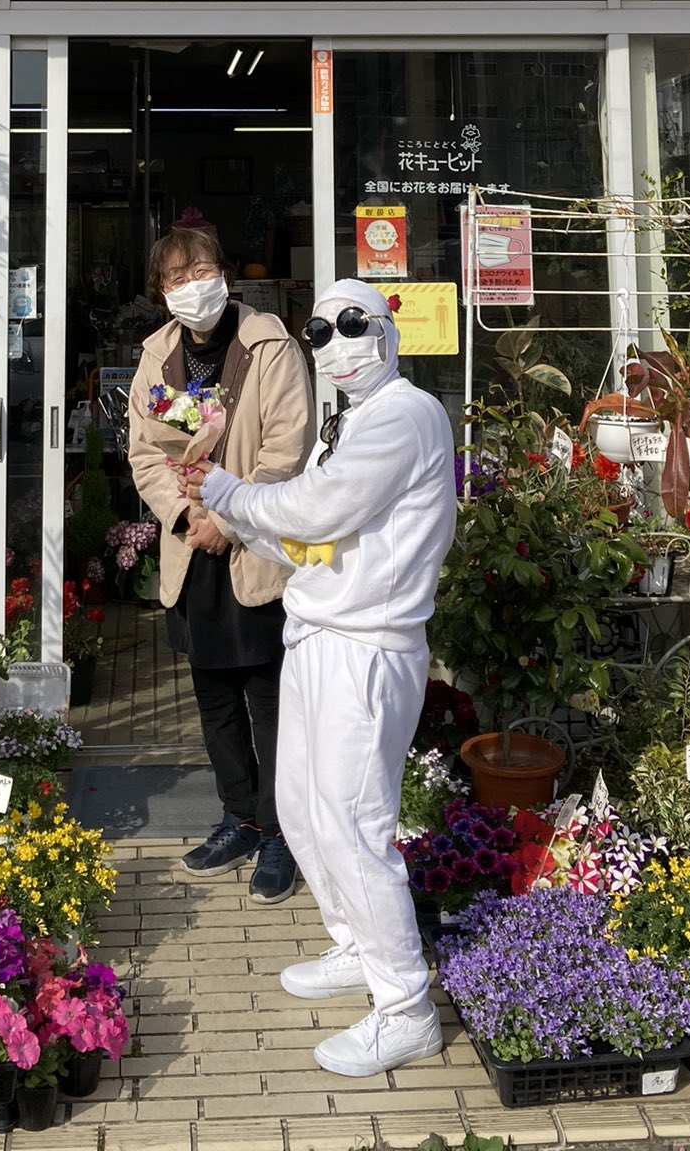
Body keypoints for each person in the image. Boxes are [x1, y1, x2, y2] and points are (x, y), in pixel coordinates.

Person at [179, 277, 456, 1077]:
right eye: (320, 332)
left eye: (352, 324)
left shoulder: (405, 414)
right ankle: (356, 945)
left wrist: (228, 493)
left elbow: (320, 509)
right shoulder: (353, 421)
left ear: (387, 331)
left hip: (366, 647)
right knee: (302, 808)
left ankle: (404, 1007)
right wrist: (235, 522)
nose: (335, 344)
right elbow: (310, 538)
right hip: (318, 634)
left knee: (353, 825)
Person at [127, 223, 316, 903]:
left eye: (201, 270)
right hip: (193, 555)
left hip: (256, 551)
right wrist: (188, 521)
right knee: (215, 700)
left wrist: (228, 520)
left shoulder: (268, 345)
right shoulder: (159, 358)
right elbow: (146, 453)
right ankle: (239, 817)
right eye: (177, 278)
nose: (192, 286)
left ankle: (281, 831)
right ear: (161, 292)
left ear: (224, 272)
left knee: (271, 702)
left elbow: (287, 450)